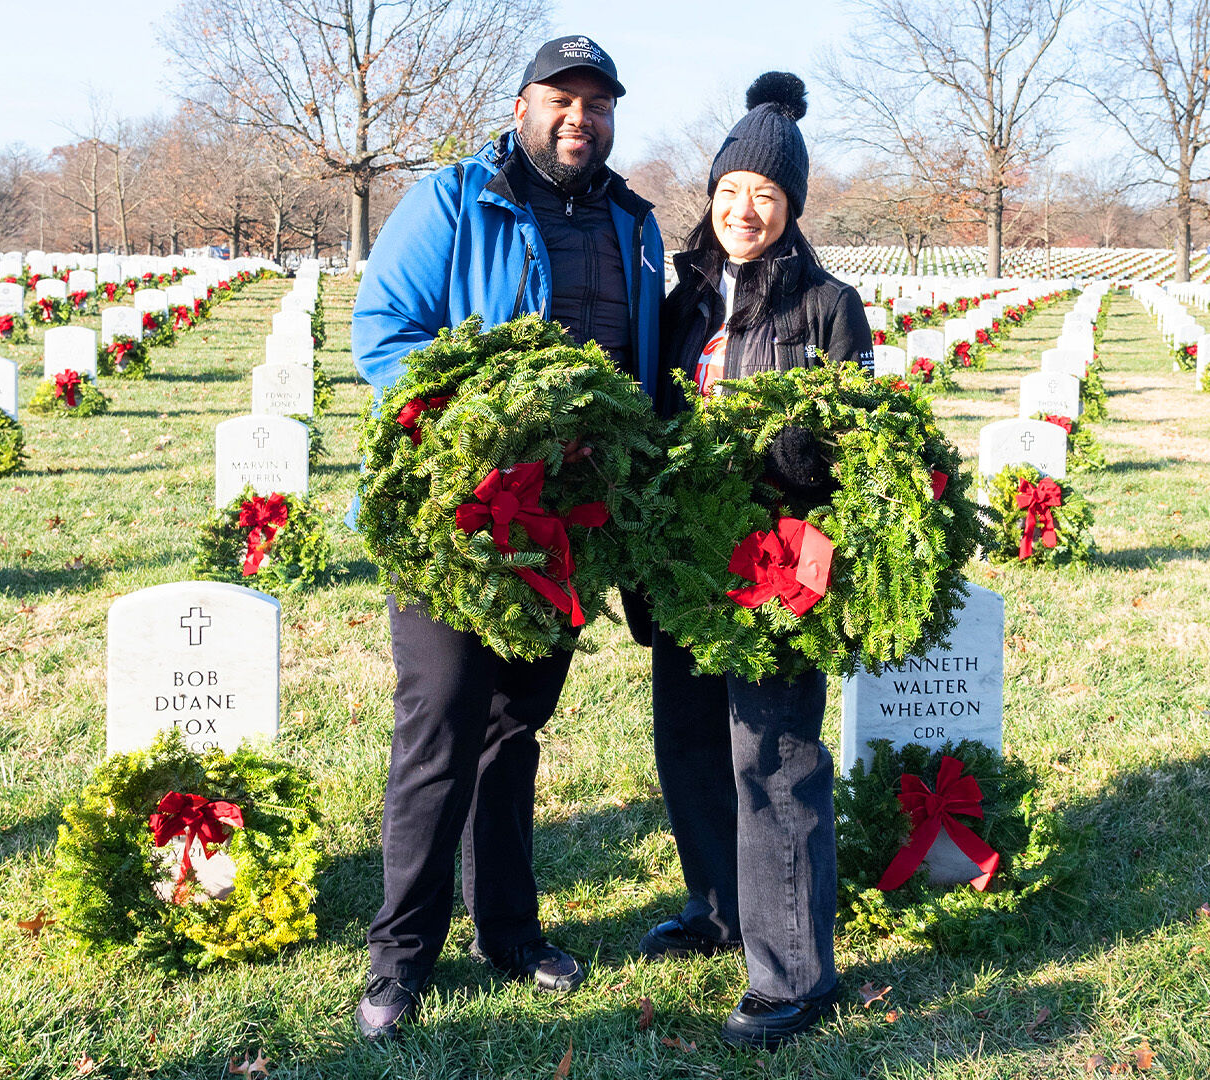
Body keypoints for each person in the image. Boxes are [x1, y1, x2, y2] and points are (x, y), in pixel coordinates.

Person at [349, 35, 665, 1042]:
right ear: (523, 105)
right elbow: (384, 333)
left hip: (568, 525)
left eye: (599, 103)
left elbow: (645, 370)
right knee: (439, 726)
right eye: (562, 98)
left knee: (515, 726)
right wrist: (485, 425)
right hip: (462, 513)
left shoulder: (631, 221)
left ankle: (510, 932)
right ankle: (401, 957)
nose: (582, 116)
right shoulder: (453, 200)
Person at [639, 71, 867, 1051]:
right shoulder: (685, 296)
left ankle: (793, 976)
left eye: (766, 198)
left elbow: (852, 447)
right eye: (733, 192)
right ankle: (721, 911)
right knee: (690, 742)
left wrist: (774, 455)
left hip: (777, 560)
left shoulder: (827, 305)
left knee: (773, 758)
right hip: (688, 558)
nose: (744, 211)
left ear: (792, 208)